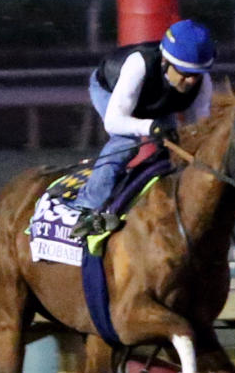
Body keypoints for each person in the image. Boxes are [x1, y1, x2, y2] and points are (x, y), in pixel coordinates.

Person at [69, 19, 216, 238]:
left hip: (155, 100)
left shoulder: (202, 83)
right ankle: (86, 209)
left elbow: (199, 130)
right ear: (165, 60)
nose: (191, 82)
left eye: (197, 75)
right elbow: (114, 121)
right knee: (126, 141)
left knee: (174, 147)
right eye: (184, 74)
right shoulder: (139, 64)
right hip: (111, 92)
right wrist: (150, 126)